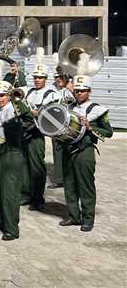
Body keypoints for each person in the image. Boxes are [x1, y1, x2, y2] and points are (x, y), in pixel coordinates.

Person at [60, 63, 113, 232]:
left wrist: (91, 127)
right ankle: (74, 216)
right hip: (68, 150)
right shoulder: (70, 107)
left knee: (86, 185)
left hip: (85, 151)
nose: (78, 93)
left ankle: (88, 219)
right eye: (77, 90)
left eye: (82, 90)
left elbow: (109, 132)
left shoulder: (97, 110)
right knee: (69, 184)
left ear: (89, 91)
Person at [0, 79, 32, 241]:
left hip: (12, 153)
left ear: (9, 96)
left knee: (10, 192)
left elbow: (30, 118)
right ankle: (3, 220)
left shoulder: (14, 108)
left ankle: (12, 229)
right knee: (0, 190)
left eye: (3, 95)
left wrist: (17, 99)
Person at [22, 49, 58, 211]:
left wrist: (38, 112)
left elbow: (53, 113)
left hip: (37, 133)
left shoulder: (51, 93)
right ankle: (27, 194)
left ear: (46, 78)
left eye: (40, 77)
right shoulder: (29, 91)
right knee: (25, 165)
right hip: (24, 131)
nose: (37, 80)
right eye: (35, 77)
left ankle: (38, 197)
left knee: (37, 166)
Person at [49, 58, 74, 189]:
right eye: (56, 77)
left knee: (69, 152)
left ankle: (69, 177)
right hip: (56, 124)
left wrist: (72, 89)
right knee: (57, 151)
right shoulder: (53, 89)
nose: (58, 79)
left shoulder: (72, 88)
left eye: (61, 77)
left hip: (69, 125)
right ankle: (59, 178)